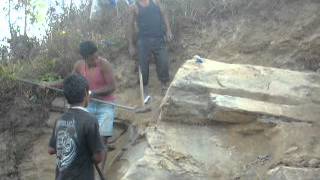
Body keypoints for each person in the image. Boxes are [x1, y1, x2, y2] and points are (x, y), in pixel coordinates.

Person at [48, 74, 105, 180]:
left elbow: (51, 149)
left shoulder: (59, 120)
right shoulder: (90, 120)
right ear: (85, 93)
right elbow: (99, 156)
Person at [73, 41, 116, 170]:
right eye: (93, 58)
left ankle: (100, 173)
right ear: (85, 58)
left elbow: (112, 87)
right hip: (89, 105)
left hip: (106, 105)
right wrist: (50, 85)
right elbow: (70, 81)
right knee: (86, 138)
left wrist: (93, 92)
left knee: (102, 140)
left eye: (97, 56)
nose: (96, 59)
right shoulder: (79, 66)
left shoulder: (104, 64)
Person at [128, 0, 173, 96]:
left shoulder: (156, 2)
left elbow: (164, 14)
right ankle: (144, 88)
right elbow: (131, 26)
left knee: (163, 61)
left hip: (158, 37)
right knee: (143, 65)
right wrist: (131, 44)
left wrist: (168, 30)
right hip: (143, 40)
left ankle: (164, 85)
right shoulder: (134, 7)